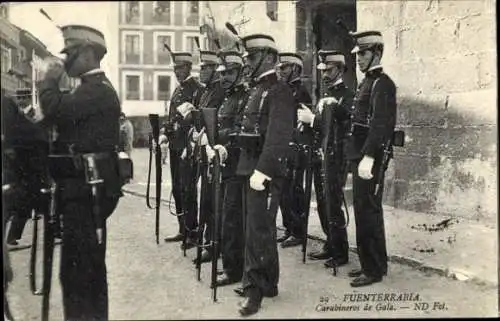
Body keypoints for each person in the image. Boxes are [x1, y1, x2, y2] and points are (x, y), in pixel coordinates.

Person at [37, 24, 123, 320]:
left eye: (70, 54)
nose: (65, 61)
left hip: (87, 192)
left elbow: (55, 109)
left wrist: (47, 80)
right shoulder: (89, 90)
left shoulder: (98, 91)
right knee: (81, 274)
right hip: (82, 190)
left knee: (79, 277)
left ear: (87, 52)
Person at [233, 34, 295, 316]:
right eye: (247, 57)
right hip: (250, 166)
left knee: (258, 230)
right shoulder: (257, 89)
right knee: (261, 228)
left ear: (269, 58)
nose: (247, 62)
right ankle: (268, 282)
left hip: (263, 171)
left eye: (252, 57)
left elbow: (279, 136)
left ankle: (253, 290)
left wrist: (264, 170)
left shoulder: (279, 90)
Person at [345, 30, 397, 287]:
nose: (358, 59)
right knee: (364, 211)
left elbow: (380, 125)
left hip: (370, 158)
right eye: (357, 54)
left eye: (363, 53)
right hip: (361, 154)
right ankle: (373, 263)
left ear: (377, 52)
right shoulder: (367, 82)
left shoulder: (382, 83)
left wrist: (369, 157)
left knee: (368, 212)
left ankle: (374, 269)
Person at [297, 50, 354, 269]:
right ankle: (330, 243)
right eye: (323, 71)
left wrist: (313, 121)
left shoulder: (346, 96)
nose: (325, 75)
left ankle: (340, 252)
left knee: (333, 204)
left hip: (336, 156)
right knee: (322, 203)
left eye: (329, 70)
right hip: (320, 154)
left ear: (340, 69)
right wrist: (308, 123)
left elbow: (340, 128)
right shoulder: (325, 94)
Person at [203, 50, 250, 287]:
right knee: (223, 214)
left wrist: (222, 143)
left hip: (237, 165)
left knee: (233, 219)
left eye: (230, 72)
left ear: (241, 72)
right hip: (223, 164)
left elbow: (241, 130)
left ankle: (234, 270)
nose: (224, 77)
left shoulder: (244, 97)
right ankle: (228, 262)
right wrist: (209, 141)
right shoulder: (227, 97)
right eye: (222, 73)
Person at [162, 52, 203, 248]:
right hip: (175, 146)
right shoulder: (178, 90)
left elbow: (196, 119)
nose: (176, 72)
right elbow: (172, 117)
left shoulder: (197, 89)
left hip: (189, 147)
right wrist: (164, 132)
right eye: (174, 69)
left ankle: (192, 232)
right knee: (177, 188)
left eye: (179, 68)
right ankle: (182, 228)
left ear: (188, 67)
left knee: (188, 189)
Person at [2, 88, 50, 248]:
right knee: (16, 201)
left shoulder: (33, 116)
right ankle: (11, 237)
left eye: (24, 96)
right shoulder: (11, 110)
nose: (21, 99)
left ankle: (12, 237)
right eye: (19, 96)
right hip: (15, 163)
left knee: (19, 202)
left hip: (24, 162)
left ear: (29, 98)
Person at [190, 50, 226, 264]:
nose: (201, 71)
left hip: (215, 151)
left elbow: (216, 122)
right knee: (207, 199)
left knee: (214, 201)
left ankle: (215, 245)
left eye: (205, 67)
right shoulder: (205, 92)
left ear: (214, 70)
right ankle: (209, 242)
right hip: (204, 150)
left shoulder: (220, 91)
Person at [275, 52, 312, 249]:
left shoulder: (301, 91)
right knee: (283, 191)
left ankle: (298, 231)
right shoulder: (283, 90)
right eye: (280, 67)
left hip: (296, 149)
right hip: (283, 147)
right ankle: (289, 228)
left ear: (296, 69)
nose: (280, 71)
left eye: (285, 67)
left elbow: (304, 122)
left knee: (295, 190)